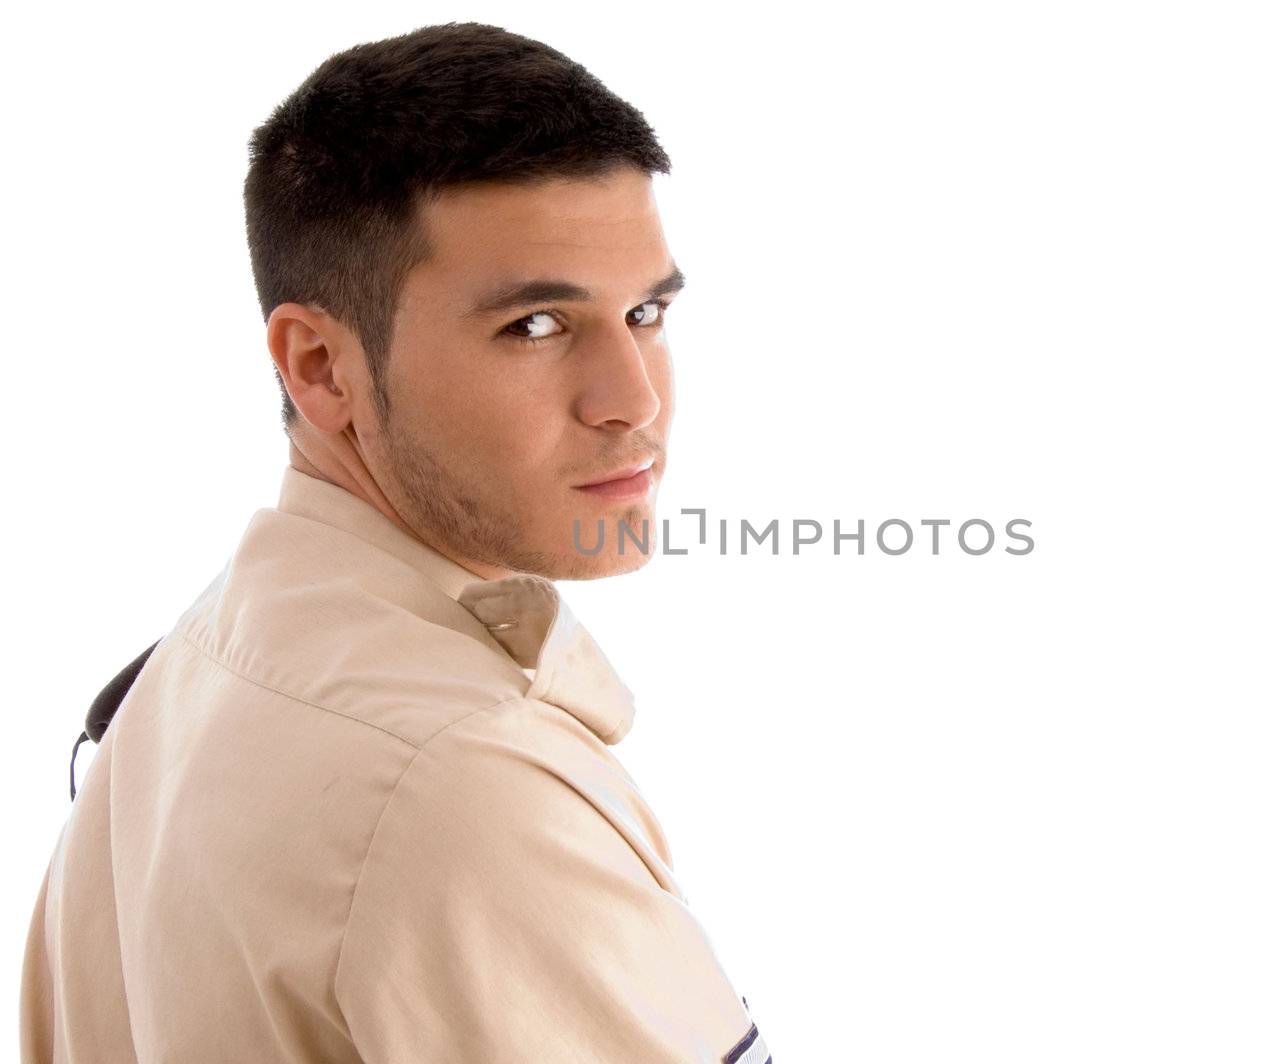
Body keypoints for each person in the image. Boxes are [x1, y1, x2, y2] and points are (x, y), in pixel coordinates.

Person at [19, 21, 772, 1064]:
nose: (632, 399)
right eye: (537, 326)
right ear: (320, 365)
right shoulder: (464, 784)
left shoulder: (192, 670)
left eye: (645, 311)